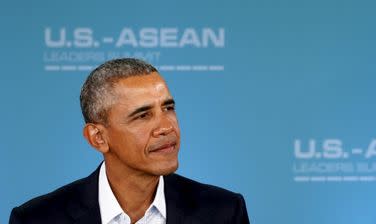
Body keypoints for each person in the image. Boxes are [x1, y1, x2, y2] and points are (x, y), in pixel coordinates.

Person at [9, 58, 250, 224]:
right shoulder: (37, 219)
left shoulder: (224, 212)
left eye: (168, 108)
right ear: (98, 138)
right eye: (143, 115)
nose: (166, 127)